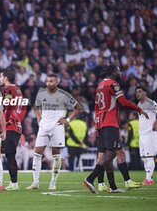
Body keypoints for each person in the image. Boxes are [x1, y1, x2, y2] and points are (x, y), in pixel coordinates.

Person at [84, 65, 149, 194]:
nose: (120, 73)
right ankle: (90, 179)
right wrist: (139, 109)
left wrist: (97, 126)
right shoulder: (113, 84)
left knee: (113, 152)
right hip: (110, 122)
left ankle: (113, 186)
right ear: (113, 73)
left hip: (101, 123)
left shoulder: (100, 86)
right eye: (118, 71)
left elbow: (97, 108)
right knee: (113, 153)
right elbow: (123, 102)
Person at [27, 73, 82, 190]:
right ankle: (35, 182)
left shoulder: (64, 95)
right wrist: (39, 119)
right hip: (43, 126)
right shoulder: (41, 93)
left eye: (51, 81)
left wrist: (67, 120)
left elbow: (79, 107)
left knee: (56, 154)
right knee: (37, 152)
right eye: (47, 81)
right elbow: (36, 106)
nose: (48, 83)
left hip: (57, 126)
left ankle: (53, 182)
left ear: (57, 82)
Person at [0, 67, 26, 190]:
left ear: (6, 78)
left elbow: (7, 107)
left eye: (1, 77)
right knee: (10, 155)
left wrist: (5, 123)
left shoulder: (8, 89)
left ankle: (14, 183)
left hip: (10, 126)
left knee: (9, 155)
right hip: (17, 127)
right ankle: (13, 182)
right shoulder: (18, 90)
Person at [136, 86, 157, 185]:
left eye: (140, 91)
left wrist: (155, 123)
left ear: (145, 93)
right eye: (136, 92)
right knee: (144, 157)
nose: (137, 93)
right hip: (142, 134)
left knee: (149, 157)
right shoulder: (138, 104)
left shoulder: (151, 103)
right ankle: (150, 178)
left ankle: (148, 179)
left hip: (150, 134)